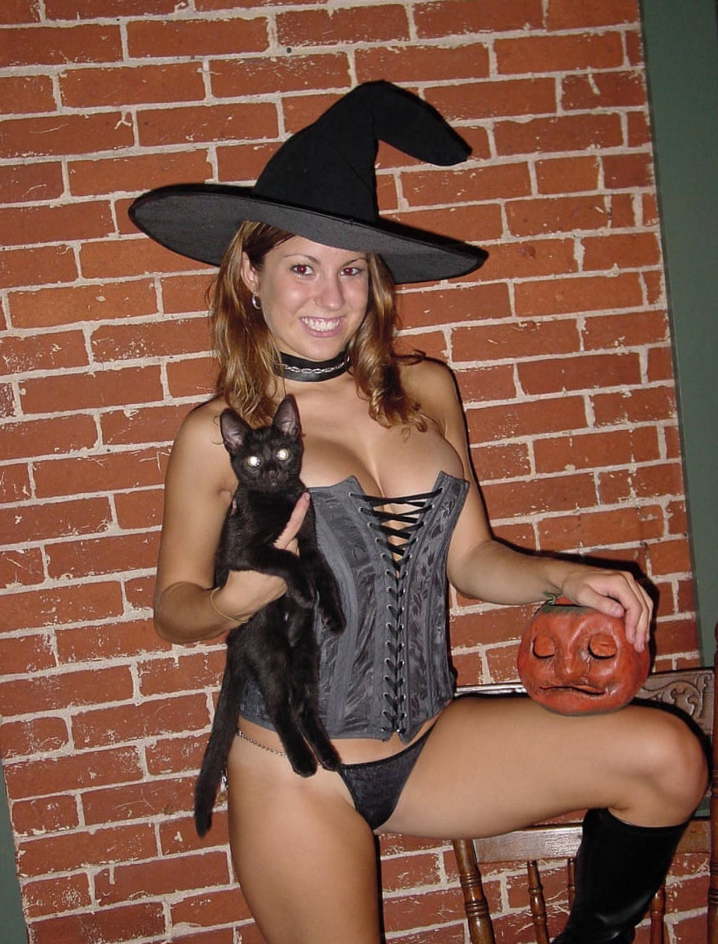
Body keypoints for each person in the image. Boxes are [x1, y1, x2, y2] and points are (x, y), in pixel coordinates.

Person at [131, 82, 707, 943]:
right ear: (251, 273)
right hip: (296, 772)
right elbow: (171, 607)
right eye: (302, 266)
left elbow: (471, 561)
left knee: (668, 759)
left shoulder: (426, 389)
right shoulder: (218, 434)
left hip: (430, 743)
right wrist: (229, 602)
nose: (330, 295)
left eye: (351, 269)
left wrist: (567, 579)